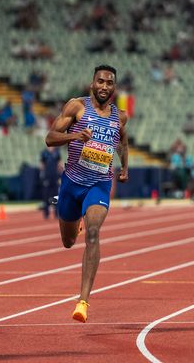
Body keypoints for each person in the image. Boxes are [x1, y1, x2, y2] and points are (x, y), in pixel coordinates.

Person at [45, 64, 129, 322]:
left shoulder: (120, 116)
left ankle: (82, 301)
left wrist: (124, 167)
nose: (104, 86)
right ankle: (75, 218)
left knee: (93, 232)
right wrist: (76, 136)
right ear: (92, 84)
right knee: (68, 242)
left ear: (114, 87)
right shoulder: (76, 107)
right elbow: (50, 138)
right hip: (72, 183)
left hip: (99, 184)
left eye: (109, 83)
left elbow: (122, 142)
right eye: (100, 81)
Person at [40, 145, 61, 219]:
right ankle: (46, 214)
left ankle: (57, 213)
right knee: (46, 195)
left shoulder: (57, 152)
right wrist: (42, 175)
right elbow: (42, 165)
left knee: (55, 195)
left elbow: (59, 164)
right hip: (47, 176)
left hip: (55, 176)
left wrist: (60, 175)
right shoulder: (44, 153)